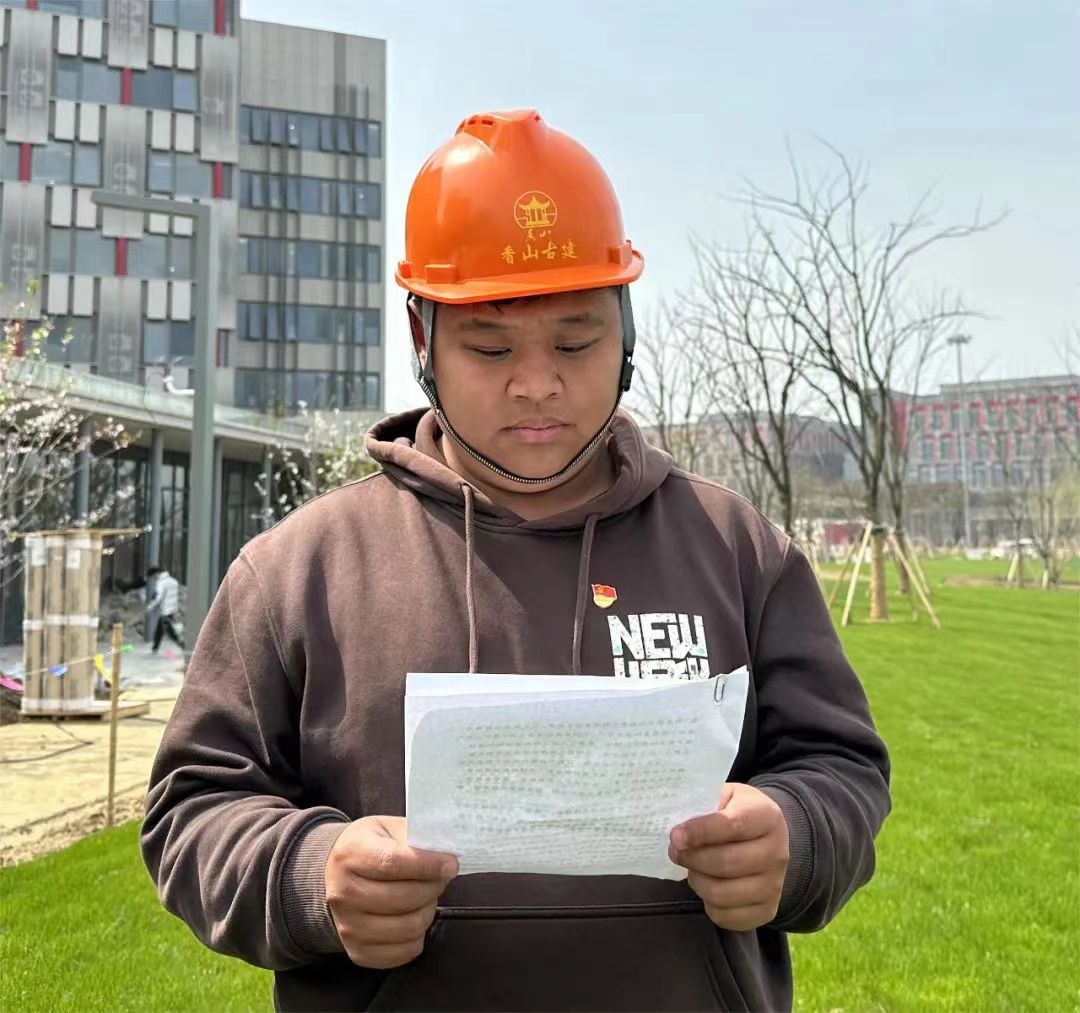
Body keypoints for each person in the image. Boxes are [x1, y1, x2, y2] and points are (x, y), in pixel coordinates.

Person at [142, 109, 890, 1011]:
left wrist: (796, 837)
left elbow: (842, 767)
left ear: (627, 331)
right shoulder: (300, 570)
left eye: (576, 341)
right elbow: (191, 810)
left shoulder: (737, 548)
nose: (537, 383)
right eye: (490, 346)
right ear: (422, 338)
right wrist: (311, 873)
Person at [146, 566, 182, 653]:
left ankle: (180, 643)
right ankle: (155, 647)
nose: (154, 579)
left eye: (153, 577)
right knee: (160, 629)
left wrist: (150, 607)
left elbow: (158, 597)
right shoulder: (173, 581)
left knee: (168, 630)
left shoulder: (161, 583)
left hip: (165, 610)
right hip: (173, 609)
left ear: (156, 574)